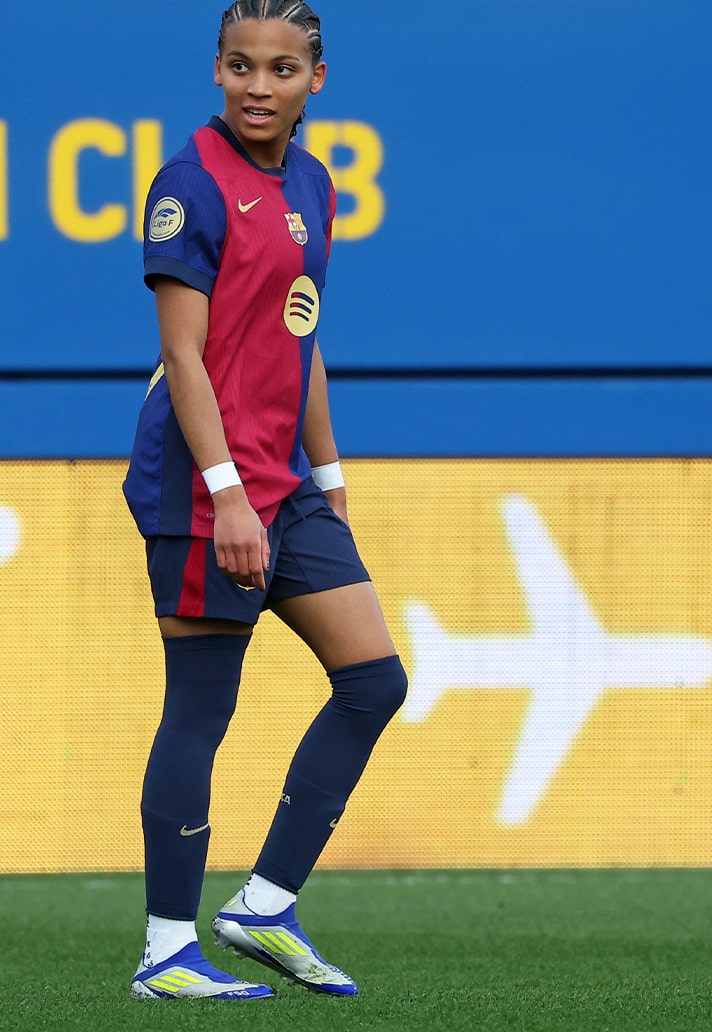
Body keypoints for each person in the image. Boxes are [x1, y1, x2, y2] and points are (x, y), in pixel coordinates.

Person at [122, 0, 408, 1003]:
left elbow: (301, 333)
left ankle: (264, 906)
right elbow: (183, 356)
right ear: (216, 69)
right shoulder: (190, 183)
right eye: (240, 65)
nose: (258, 86)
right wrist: (228, 496)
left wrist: (327, 481)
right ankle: (166, 951)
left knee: (375, 682)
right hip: (203, 486)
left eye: (281, 69)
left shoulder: (314, 183)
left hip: (283, 486)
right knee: (201, 708)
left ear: (314, 80)